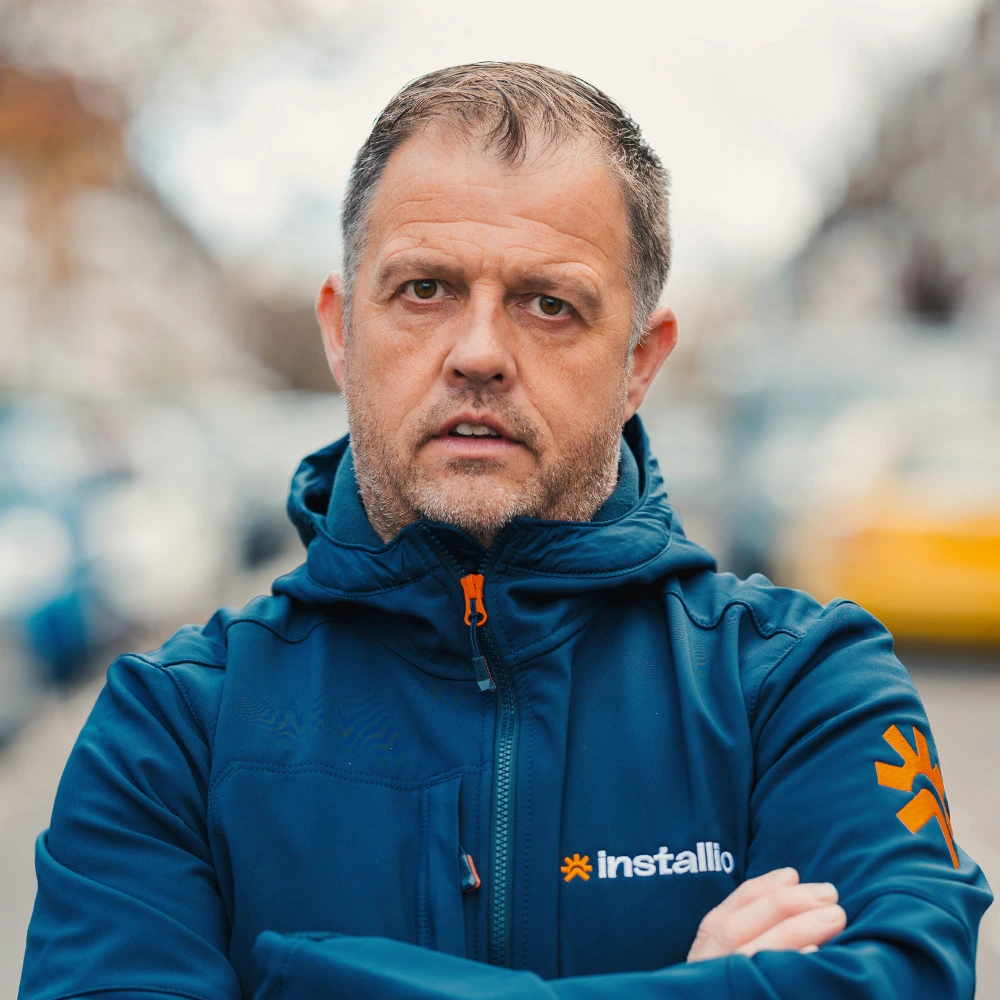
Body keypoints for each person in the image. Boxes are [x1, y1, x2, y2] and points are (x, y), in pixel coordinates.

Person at [19, 62, 991, 1000]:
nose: (479, 352)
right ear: (341, 329)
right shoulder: (171, 735)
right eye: (425, 290)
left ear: (640, 361)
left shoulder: (803, 690)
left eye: (547, 303)